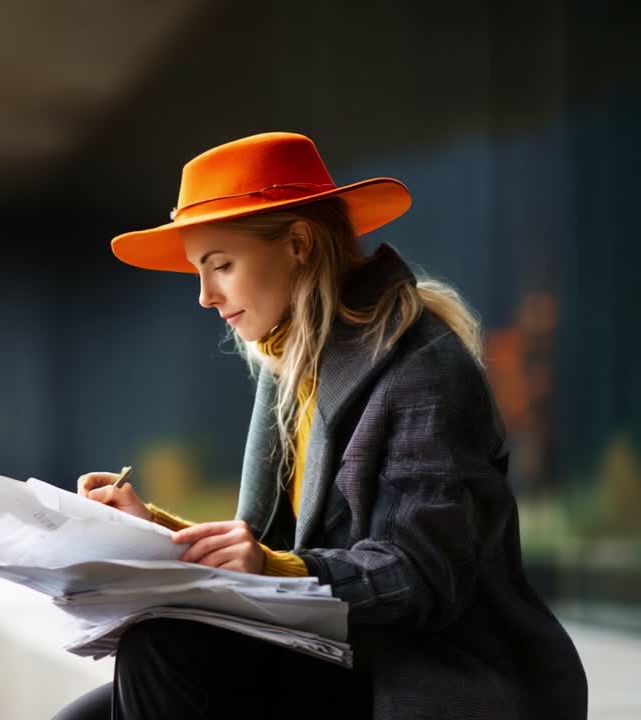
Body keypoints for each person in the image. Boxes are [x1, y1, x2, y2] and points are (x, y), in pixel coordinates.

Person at [52, 132, 588, 719]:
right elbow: (261, 547)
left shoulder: (422, 365)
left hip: (421, 672)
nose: (205, 296)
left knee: (162, 653)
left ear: (300, 244)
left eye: (221, 265)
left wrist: (274, 565)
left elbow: (422, 574)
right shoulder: (289, 364)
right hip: (326, 653)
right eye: (197, 272)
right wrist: (152, 531)